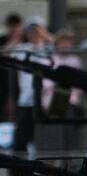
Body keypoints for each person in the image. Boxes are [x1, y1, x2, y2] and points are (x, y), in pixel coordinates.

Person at [10, 17, 52, 156]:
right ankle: (18, 168)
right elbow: (6, 52)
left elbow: (62, 47)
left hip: (45, 100)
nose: (35, 34)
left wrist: (45, 35)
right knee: (21, 135)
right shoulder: (22, 49)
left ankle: (46, 166)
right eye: (32, 31)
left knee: (45, 135)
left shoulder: (48, 49)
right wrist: (18, 35)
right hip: (26, 99)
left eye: (38, 30)